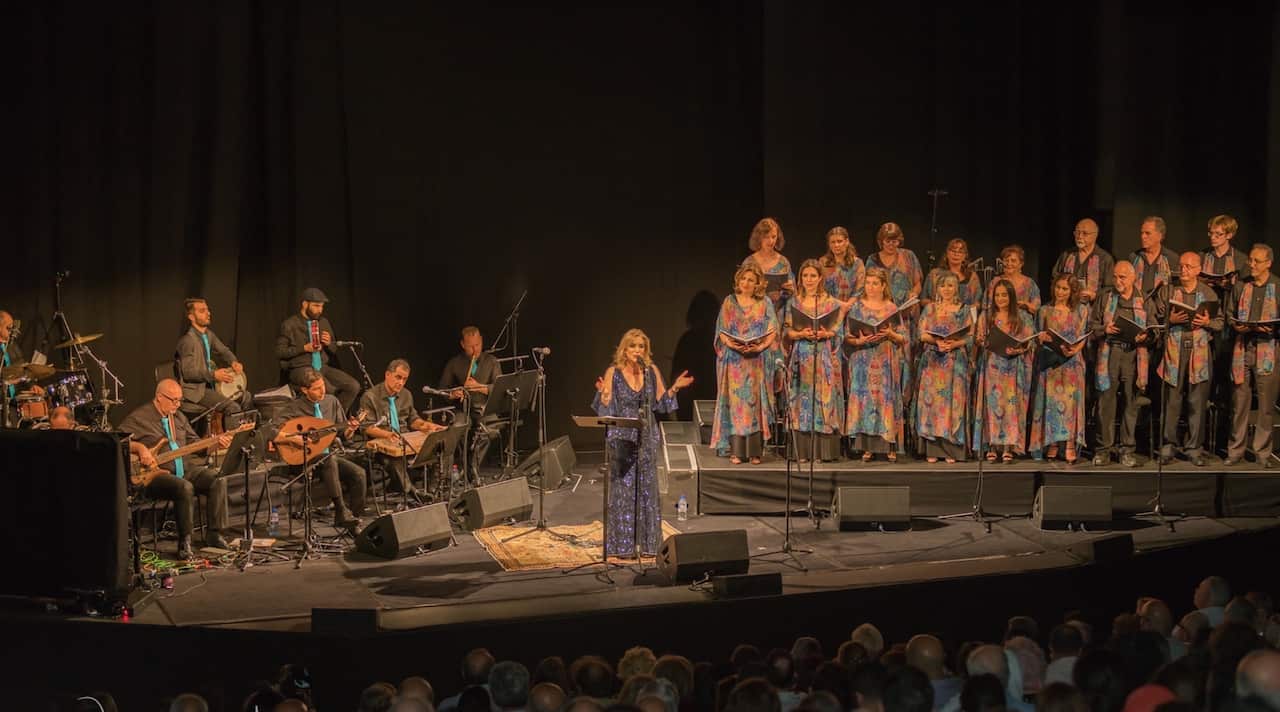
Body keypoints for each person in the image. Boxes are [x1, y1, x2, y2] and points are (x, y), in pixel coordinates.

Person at [592, 329, 692, 557]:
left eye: (641, 347)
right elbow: (605, 408)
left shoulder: (650, 372)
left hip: (646, 437)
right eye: (632, 346)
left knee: (647, 488)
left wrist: (675, 387)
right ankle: (622, 546)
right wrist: (604, 395)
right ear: (624, 350)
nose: (637, 351)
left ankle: (648, 545)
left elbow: (662, 404)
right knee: (624, 489)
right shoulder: (613, 372)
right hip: (622, 437)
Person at [119, 379, 234, 558]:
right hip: (154, 475)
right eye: (174, 400)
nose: (178, 404)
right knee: (184, 487)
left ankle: (215, 534)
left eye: (179, 400)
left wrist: (215, 444)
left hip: (184, 468)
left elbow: (196, 444)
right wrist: (141, 449)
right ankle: (185, 541)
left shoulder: (178, 417)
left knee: (217, 479)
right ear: (159, 397)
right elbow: (120, 441)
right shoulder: (139, 417)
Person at [273, 367, 368, 530]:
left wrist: (350, 430)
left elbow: (343, 434)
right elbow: (271, 431)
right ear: (304, 390)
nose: (322, 391)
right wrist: (295, 438)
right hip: (303, 460)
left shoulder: (331, 401)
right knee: (329, 460)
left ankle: (353, 522)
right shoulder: (294, 408)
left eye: (322, 385)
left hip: (327, 457)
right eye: (316, 388)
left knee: (359, 474)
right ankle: (340, 510)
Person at [1157, 252, 1221, 466]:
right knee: (1172, 400)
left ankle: (1194, 448)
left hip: (1199, 351)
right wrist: (1170, 319)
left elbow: (1220, 322)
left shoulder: (1208, 292)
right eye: (1181, 266)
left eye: (1188, 266)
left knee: (1197, 401)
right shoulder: (1168, 290)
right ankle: (1168, 445)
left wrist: (1207, 322)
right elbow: (1154, 319)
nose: (1183, 270)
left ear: (1197, 269)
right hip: (1174, 349)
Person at [712, 262, 779, 464]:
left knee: (755, 405)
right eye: (743, 279)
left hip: (756, 361)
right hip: (734, 361)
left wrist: (759, 347)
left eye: (751, 280)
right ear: (738, 281)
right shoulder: (729, 302)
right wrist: (734, 345)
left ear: (758, 283)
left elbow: (772, 329)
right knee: (736, 405)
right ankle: (737, 451)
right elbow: (722, 331)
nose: (747, 283)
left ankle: (755, 452)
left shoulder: (765, 302)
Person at [784, 259, 846, 462]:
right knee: (802, 399)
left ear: (820, 278)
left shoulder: (831, 302)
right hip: (801, 356)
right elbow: (787, 331)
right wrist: (800, 333)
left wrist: (826, 333)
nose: (808, 280)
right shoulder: (794, 301)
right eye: (805, 275)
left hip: (823, 356)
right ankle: (802, 452)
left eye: (813, 276)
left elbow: (839, 332)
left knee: (823, 399)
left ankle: (822, 452)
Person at [1091, 262, 1151, 467]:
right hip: (1109, 354)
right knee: (1105, 404)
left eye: (1122, 277)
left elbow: (1155, 329)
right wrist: (1104, 329)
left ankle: (1126, 450)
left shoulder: (1143, 300)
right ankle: (1103, 450)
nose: (1118, 281)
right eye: (1115, 277)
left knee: (1130, 404)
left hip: (1133, 355)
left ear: (1133, 277)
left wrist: (1146, 335)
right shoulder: (1106, 298)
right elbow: (1092, 326)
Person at [845, 268, 909, 462]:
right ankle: (867, 447)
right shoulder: (857, 307)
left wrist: (890, 335)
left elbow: (902, 337)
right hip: (863, 359)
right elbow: (848, 335)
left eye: (875, 283)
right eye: (868, 283)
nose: (870, 287)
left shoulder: (891, 307)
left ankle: (889, 445)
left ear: (883, 286)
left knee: (884, 400)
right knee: (865, 400)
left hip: (884, 359)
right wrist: (859, 341)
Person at [360, 358, 444, 502]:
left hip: (404, 439)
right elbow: (366, 427)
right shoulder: (370, 397)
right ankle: (413, 492)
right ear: (387, 375)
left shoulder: (406, 395)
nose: (401, 382)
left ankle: (433, 490)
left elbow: (413, 420)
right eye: (398, 377)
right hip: (382, 445)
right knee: (394, 459)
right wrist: (387, 434)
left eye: (404, 379)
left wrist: (427, 426)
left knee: (437, 446)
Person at [1227, 245, 1280, 467]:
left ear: (1268, 263)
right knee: (1239, 402)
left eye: (1257, 261)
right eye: (1251, 260)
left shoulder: (1277, 286)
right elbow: (1230, 314)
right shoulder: (1242, 285)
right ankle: (1235, 451)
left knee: (1266, 404)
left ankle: (1262, 453)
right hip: (1243, 348)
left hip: (1268, 348)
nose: (1252, 265)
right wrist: (1237, 326)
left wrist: (1273, 330)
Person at [974, 279, 1035, 462]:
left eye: (1004, 295)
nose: (1000, 298)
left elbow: (1030, 339)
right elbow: (979, 338)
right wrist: (985, 342)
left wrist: (1020, 349)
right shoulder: (987, 316)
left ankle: (1008, 446)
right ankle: (992, 444)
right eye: (997, 295)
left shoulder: (1022, 316)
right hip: (993, 365)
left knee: (1010, 406)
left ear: (1011, 296)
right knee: (992, 405)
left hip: (1012, 366)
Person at [1029, 275, 1089, 463]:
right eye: (1058, 288)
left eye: (1065, 289)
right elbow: (1037, 335)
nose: (1060, 292)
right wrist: (1042, 339)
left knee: (1070, 405)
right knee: (1052, 403)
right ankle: (1052, 443)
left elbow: (1084, 335)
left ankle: (1069, 444)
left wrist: (1075, 349)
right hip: (1051, 362)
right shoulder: (1044, 310)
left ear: (1072, 291)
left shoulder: (1081, 310)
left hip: (1071, 363)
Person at [916, 272, 975, 463]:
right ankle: (933, 449)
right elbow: (921, 333)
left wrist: (954, 344)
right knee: (932, 404)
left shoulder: (964, 309)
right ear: (937, 288)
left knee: (952, 404)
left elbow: (971, 335)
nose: (947, 289)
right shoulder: (930, 309)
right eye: (943, 286)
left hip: (955, 361)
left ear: (956, 288)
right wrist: (937, 341)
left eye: (951, 286)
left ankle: (952, 449)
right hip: (933, 360)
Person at [275, 287, 360, 411]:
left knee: (353, 386)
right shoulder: (290, 324)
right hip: (301, 368)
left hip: (321, 367)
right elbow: (279, 352)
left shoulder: (323, 322)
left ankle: (334, 420)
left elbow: (334, 349)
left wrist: (329, 343)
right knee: (328, 390)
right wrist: (304, 348)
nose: (320, 310)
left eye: (321, 306)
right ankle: (325, 422)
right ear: (305, 304)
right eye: (316, 306)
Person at [175, 298, 251, 420]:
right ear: (191, 317)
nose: (208, 313)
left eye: (208, 310)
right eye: (202, 311)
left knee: (246, 396)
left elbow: (224, 351)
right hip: (196, 391)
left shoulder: (208, 335)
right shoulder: (188, 341)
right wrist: (214, 375)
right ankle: (231, 438)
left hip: (210, 385)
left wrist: (233, 361)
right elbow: (189, 373)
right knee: (233, 407)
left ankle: (244, 433)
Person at [439, 326, 501, 476]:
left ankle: (472, 469)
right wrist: (454, 393)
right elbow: (442, 389)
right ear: (462, 344)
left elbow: (498, 387)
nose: (475, 349)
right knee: (457, 428)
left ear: (481, 341)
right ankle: (452, 472)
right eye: (470, 346)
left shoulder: (491, 361)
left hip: (484, 409)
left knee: (492, 430)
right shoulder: (454, 363)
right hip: (462, 409)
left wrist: (480, 387)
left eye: (478, 344)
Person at [1054, 219, 1114, 305]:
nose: (1079, 236)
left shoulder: (1105, 259)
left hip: (1093, 309)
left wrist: (1095, 295)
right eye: (1077, 233)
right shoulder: (1067, 255)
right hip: (1066, 307)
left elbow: (1110, 288)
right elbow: (1055, 278)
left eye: (1085, 233)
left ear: (1095, 235)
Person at [923, 238, 982, 308]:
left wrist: (964, 311)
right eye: (953, 251)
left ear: (964, 256)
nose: (956, 254)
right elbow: (923, 300)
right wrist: (940, 306)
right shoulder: (934, 274)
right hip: (939, 315)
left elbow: (978, 303)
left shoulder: (972, 277)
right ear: (947, 253)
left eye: (960, 252)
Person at [1131, 216, 1180, 298]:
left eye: (1147, 233)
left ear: (1159, 236)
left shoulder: (1172, 258)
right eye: (1142, 233)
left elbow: (1177, 289)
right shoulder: (1134, 257)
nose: (1143, 237)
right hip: (1138, 307)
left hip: (1161, 308)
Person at [988, 245, 1040, 314]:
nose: (1009, 263)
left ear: (1021, 264)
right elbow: (987, 305)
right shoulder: (995, 282)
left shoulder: (1029, 283)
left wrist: (1026, 304)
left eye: (1013, 261)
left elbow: (1037, 308)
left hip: (1023, 322)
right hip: (999, 321)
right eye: (1006, 260)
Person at [819, 226, 865, 302]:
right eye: (833, 242)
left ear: (847, 242)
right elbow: (819, 287)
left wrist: (847, 306)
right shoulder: (823, 262)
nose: (836, 245)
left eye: (839, 241)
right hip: (828, 306)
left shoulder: (857, 263)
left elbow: (860, 289)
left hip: (851, 307)